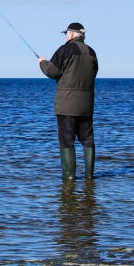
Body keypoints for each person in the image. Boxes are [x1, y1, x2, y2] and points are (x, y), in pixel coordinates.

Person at [38, 22, 99, 180]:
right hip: (86, 104)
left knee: (67, 140)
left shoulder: (65, 49)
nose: (66, 36)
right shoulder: (91, 52)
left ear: (71, 34)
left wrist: (42, 63)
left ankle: (69, 178)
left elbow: (52, 72)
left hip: (67, 105)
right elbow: (94, 72)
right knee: (87, 139)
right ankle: (89, 177)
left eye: (66, 33)